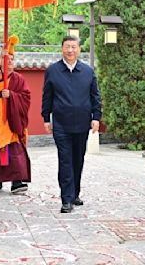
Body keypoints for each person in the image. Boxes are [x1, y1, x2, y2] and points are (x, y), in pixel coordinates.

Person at [41, 35, 102, 213]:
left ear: (79, 49)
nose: (70, 50)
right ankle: (66, 199)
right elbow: (47, 96)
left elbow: (95, 97)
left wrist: (96, 117)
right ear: (62, 49)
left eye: (73, 47)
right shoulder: (52, 71)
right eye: (67, 47)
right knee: (65, 160)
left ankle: (74, 194)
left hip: (82, 123)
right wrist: (46, 118)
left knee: (78, 159)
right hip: (61, 124)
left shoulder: (88, 71)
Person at [0, 36, 31, 194]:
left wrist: (11, 95)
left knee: (15, 149)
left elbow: (26, 97)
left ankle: (17, 181)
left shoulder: (18, 79)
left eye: (12, 60)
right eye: (7, 60)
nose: (10, 62)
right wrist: (1, 56)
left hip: (13, 118)